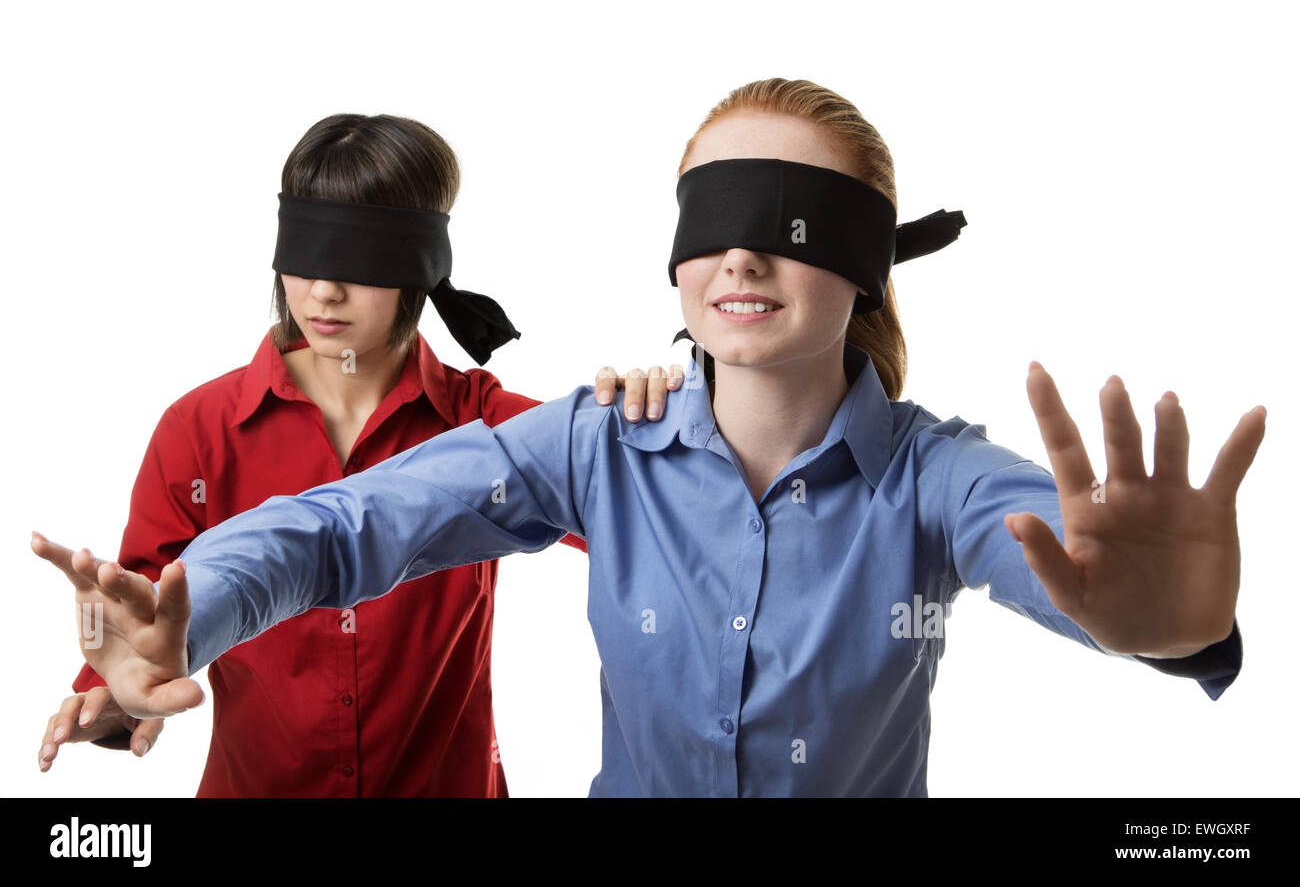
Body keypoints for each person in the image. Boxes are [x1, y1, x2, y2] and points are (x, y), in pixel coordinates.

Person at [39, 79, 1262, 796]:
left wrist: (1171, 625)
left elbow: (1053, 550)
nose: (742, 252)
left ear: (871, 266)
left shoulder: (933, 479)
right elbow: (349, 523)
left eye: (793, 222)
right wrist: (192, 608)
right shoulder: (588, 446)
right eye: (716, 217)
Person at [33, 112, 680, 796]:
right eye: (307, 255)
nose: (324, 291)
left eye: (359, 261)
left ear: (422, 265)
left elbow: (650, 520)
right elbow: (140, 628)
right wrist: (109, 705)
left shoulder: (484, 423)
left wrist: (651, 426)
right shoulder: (199, 430)